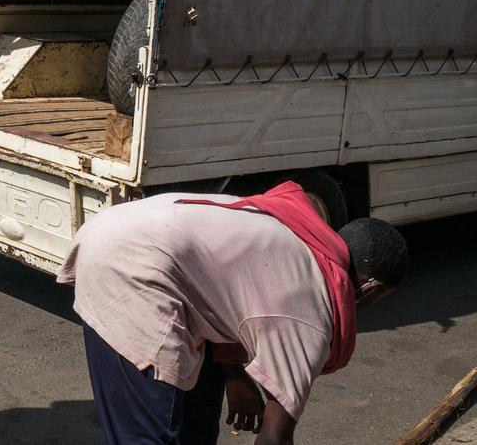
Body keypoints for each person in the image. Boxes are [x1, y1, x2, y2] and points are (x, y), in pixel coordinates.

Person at [59, 181, 409, 445]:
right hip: (133, 270)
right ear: (371, 288)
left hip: (119, 234)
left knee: (196, 418)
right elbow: (274, 438)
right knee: (150, 435)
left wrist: (235, 377)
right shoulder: (311, 312)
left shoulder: (297, 234)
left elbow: (221, 297)